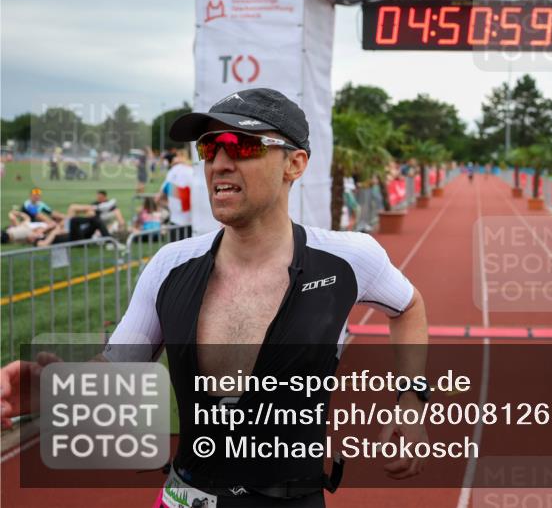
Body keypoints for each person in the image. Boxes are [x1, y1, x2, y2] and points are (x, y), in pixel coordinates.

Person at [1, 88, 429, 506]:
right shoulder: (170, 265)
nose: (220, 163)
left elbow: (408, 306)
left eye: (242, 146)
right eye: (209, 148)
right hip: (187, 495)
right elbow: (117, 370)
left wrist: (410, 403)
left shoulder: (348, 258)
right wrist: (50, 391)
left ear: (294, 164)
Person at [158, 146, 193, 228]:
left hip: (176, 220)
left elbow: (161, 195)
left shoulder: (174, 171)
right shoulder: (193, 170)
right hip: (192, 221)